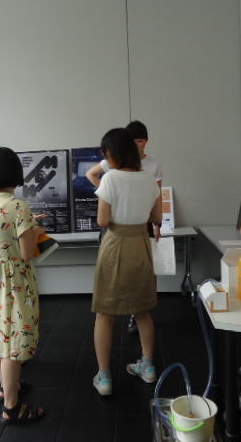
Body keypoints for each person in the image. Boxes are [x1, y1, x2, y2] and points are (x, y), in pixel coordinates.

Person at [91, 128, 162, 396]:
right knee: (143, 310)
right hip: (141, 244)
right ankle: (148, 367)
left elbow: (102, 221)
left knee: (105, 313)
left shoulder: (110, 178)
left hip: (116, 244)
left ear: (112, 153)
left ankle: (105, 378)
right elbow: (157, 218)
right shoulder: (149, 179)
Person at [0, 147, 45, 424]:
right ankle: (12, 407)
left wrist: (27, 226)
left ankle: (8, 388)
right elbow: (27, 253)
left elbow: (1, 235)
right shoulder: (18, 206)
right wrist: (36, 230)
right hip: (15, 281)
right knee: (15, 341)